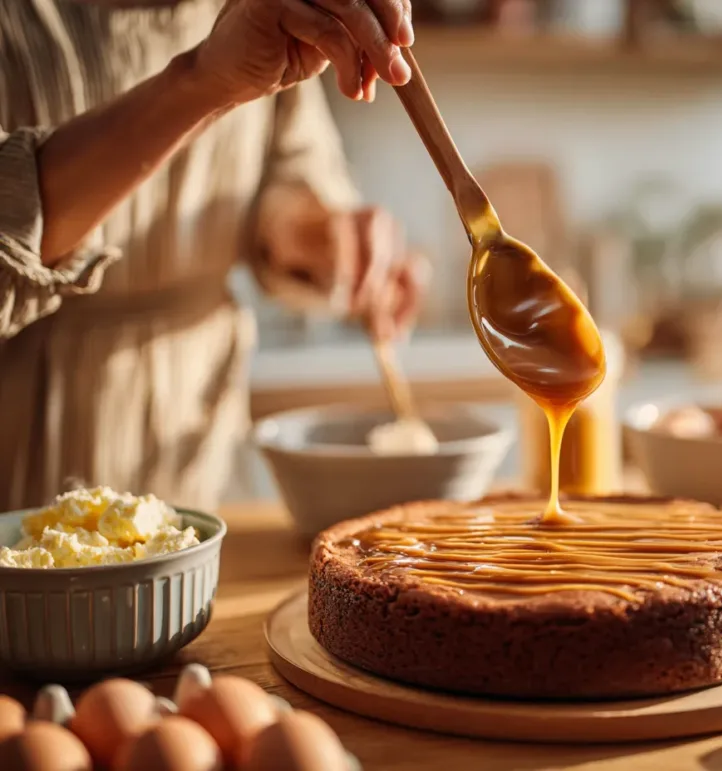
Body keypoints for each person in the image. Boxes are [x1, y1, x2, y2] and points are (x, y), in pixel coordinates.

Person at [0, 0, 427, 510]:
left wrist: (325, 239)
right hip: (29, 431)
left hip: (198, 430)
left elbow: (289, 174)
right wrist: (202, 82)